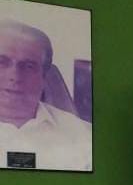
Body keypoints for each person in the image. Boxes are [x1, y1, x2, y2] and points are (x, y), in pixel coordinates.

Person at [0, 20, 91, 171]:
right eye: (1, 62)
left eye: (28, 66)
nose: (14, 76)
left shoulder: (83, 135)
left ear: (44, 77)